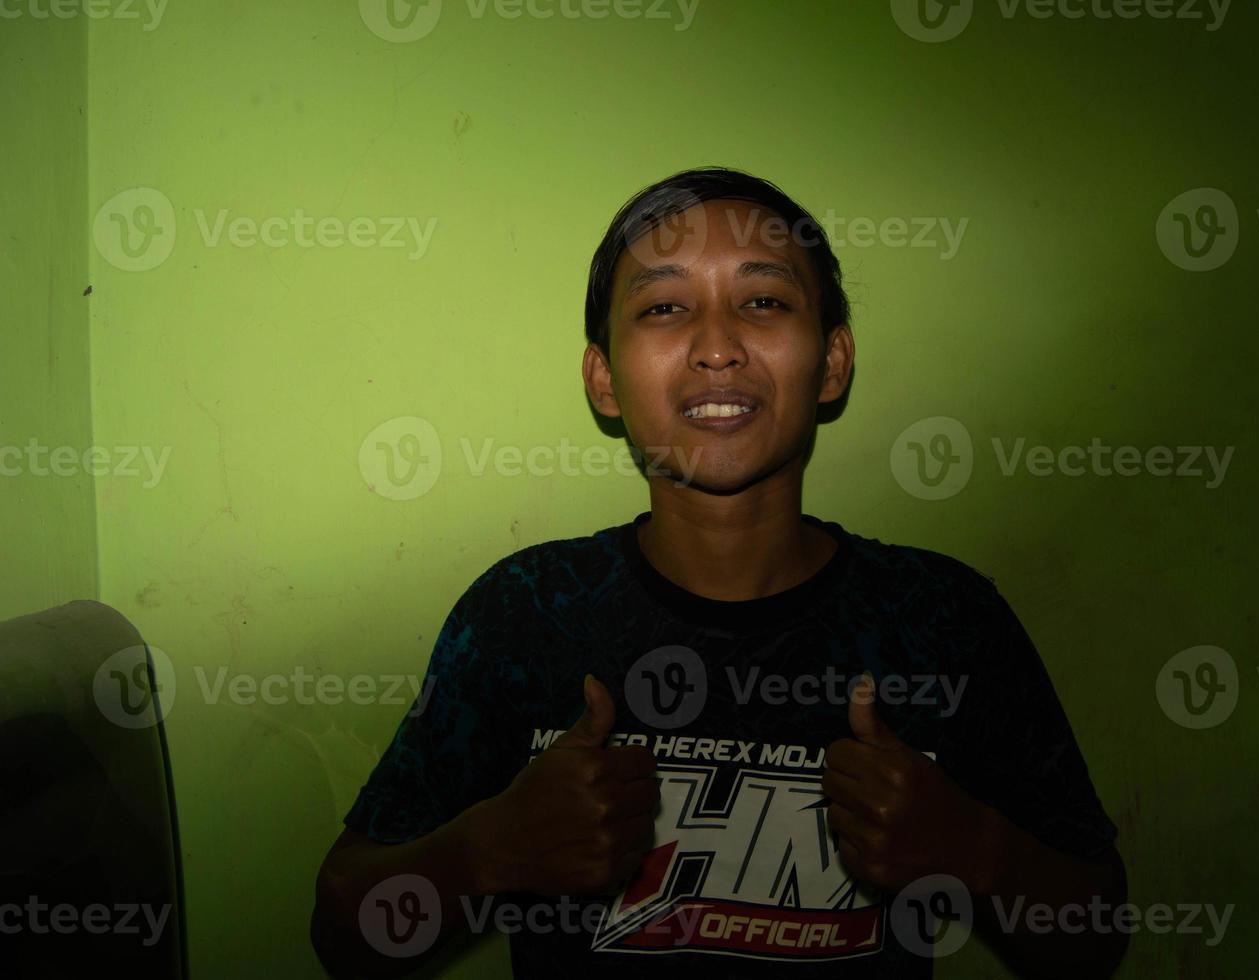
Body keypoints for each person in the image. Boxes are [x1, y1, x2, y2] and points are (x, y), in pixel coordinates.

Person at [310, 167, 1128, 979]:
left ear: (834, 361)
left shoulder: (943, 618)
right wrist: (485, 852)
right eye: (664, 308)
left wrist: (972, 848)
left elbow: (1095, 937)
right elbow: (344, 929)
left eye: (764, 302)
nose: (716, 347)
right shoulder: (525, 614)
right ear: (603, 379)